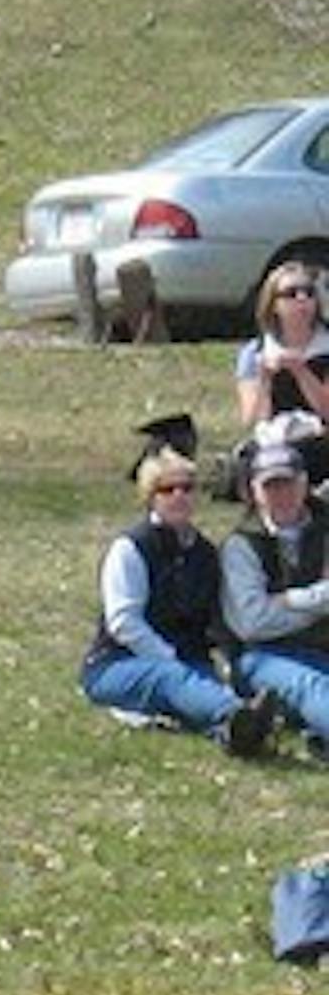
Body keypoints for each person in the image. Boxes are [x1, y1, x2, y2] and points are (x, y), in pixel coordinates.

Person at [80, 436, 276, 755]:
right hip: (119, 664)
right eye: (167, 490)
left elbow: (216, 619)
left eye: (187, 488)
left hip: (187, 663)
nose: (179, 496)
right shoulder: (130, 549)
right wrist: (170, 659)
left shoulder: (205, 553)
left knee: (199, 691)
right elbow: (124, 623)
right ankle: (236, 714)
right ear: (150, 497)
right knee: (175, 681)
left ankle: (236, 733)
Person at [219, 424, 329, 761]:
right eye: (270, 486)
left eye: (288, 483)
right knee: (312, 687)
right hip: (262, 656)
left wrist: (293, 600)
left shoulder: (325, 526)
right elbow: (252, 623)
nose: (281, 495)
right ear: (253, 491)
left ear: (305, 483)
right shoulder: (241, 546)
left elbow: (273, 611)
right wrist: (322, 599)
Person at [233, 265, 329, 463]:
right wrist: (265, 380)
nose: (302, 299)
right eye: (291, 293)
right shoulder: (255, 352)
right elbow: (251, 421)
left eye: (308, 292)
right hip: (275, 442)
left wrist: (301, 372)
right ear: (273, 304)